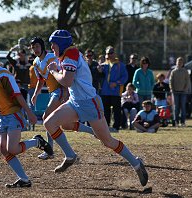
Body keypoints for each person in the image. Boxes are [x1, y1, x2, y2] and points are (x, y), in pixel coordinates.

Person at [45, 29, 148, 186]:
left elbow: (66, 80)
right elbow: (71, 82)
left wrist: (53, 71)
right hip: (76, 101)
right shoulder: (67, 54)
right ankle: (70, 155)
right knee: (50, 123)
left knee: (108, 141)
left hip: (89, 103)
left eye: (53, 44)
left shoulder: (71, 54)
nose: (52, 48)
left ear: (61, 43)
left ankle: (136, 163)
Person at [0, 45, 53, 188]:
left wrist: (29, 113)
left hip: (14, 114)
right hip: (2, 117)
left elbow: (17, 95)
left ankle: (37, 142)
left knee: (13, 149)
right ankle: (24, 179)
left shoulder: (3, 74)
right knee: (3, 150)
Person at [30, 37, 94, 160]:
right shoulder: (36, 62)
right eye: (33, 48)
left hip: (59, 91)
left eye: (37, 46)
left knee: (46, 118)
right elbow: (41, 80)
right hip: (53, 92)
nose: (35, 49)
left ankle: (49, 151)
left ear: (42, 46)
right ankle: (93, 131)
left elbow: (64, 73)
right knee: (66, 125)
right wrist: (35, 94)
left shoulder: (51, 58)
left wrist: (65, 91)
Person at [99, 46, 128, 131]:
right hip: (105, 92)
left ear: (114, 54)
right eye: (108, 53)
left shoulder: (120, 65)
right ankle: (106, 126)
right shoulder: (103, 65)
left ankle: (116, 127)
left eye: (111, 53)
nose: (109, 55)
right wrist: (99, 71)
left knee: (117, 111)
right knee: (106, 111)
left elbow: (125, 77)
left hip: (116, 92)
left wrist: (116, 83)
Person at [169, 57, 190, 127]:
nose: (179, 63)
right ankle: (176, 121)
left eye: (181, 62)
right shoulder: (173, 71)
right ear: (176, 63)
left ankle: (183, 122)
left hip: (183, 92)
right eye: (178, 62)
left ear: (183, 63)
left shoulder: (185, 71)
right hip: (175, 92)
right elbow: (170, 81)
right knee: (176, 107)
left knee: (183, 107)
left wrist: (185, 89)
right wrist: (172, 89)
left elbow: (187, 81)